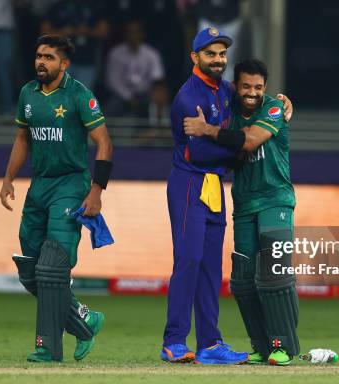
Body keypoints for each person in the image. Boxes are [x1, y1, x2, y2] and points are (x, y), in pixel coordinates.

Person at [162, 27, 292, 365]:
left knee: (209, 267)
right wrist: (237, 153)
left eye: (222, 54)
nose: (218, 60)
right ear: (195, 57)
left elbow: (254, 95)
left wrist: (280, 101)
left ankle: (209, 343)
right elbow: (199, 152)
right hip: (190, 182)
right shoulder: (188, 98)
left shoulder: (225, 89)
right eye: (210, 54)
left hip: (215, 187)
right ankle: (174, 340)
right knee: (188, 260)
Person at [0, 34, 113, 363]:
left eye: (49, 57)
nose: (41, 62)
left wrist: (96, 191)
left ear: (64, 64)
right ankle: (84, 318)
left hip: (71, 185)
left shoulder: (80, 95)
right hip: (39, 187)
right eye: (38, 56)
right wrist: (8, 178)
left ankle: (47, 347)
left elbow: (104, 143)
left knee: (52, 268)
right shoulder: (27, 94)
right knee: (32, 271)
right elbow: (23, 138)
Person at [105, 20, 167, 119]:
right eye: (130, 33)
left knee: (159, 98)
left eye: (136, 32)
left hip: (145, 94)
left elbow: (157, 79)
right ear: (125, 35)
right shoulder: (115, 54)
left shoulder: (152, 54)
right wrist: (129, 97)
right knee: (108, 109)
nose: (133, 36)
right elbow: (113, 82)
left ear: (142, 34)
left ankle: (155, 131)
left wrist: (156, 94)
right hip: (121, 95)